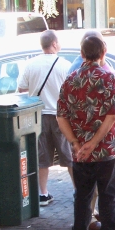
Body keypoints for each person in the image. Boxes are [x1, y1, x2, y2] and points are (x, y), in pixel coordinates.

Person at [57, 36, 115, 230]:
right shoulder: (109, 77)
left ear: (81, 54)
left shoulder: (70, 80)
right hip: (106, 149)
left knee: (82, 195)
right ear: (103, 53)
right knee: (108, 195)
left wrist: (77, 143)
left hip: (80, 153)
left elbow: (61, 116)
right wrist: (94, 143)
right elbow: (111, 115)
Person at [18, 30, 74, 206]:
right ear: (55, 44)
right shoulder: (65, 65)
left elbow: (21, 89)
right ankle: (79, 190)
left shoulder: (30, 64)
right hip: (61, 117)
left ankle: (43, 193)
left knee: (42, 157)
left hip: (38, 116)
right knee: (69, 155)